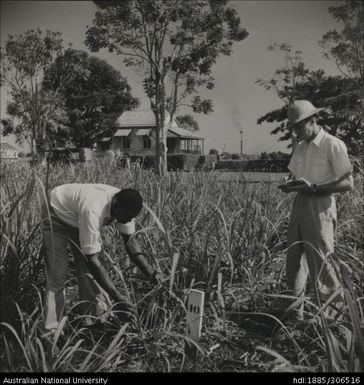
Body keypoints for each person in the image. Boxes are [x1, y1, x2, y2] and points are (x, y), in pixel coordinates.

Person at [41, 183, 162, 333]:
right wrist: (118, 297)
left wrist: (152, 273)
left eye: (131, 217)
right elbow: (93, 261)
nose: (126, 220)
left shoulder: (126, 206)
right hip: (57, 214)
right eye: (126, 216)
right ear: (116, 205)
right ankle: (51, 331)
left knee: (92, 271)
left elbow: (131, 245)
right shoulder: (93, 209)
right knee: (57, 273)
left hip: (79, 217)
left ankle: (93, 321)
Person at [278, 100, 354, 319]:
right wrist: (289, 183)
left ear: (312, 121)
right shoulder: (301, 147)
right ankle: (294, 315)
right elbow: (295, 175)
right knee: (294, 258)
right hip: (300, 202)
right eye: (293, 127)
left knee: (322, 261)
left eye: (298, 127)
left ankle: (333, 320)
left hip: (321, 205)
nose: (296, 132)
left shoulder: (333, 144)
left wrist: (315, 188)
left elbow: (348, 183)